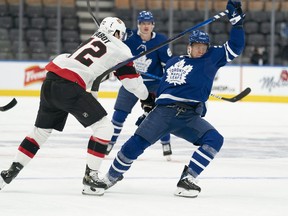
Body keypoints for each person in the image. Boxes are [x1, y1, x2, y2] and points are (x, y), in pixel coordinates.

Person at [100, 0, 246, 198]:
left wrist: (237, 23)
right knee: (136, 144)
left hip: (188, 117)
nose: (201, 50)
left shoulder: (211, 58)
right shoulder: (173, 62)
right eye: (197, 46)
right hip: (163, 112)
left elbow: (235, 47)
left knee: (214, 139)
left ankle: (188, 179)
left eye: (204, 46)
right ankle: (110, 177)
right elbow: (163, 89)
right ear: (189, 47)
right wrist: (151, 111)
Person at [0, 17, 154, 196]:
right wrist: (146, 98)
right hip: (69, 86)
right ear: (118, 33)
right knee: (104, 128)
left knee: (40, 132)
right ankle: (91, 179)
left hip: (50, 80)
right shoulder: (121, 49)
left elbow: (92, 71)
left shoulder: (91, 39)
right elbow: (132, 83)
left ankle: (8, 174)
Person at [107, 11, 174, 160]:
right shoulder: (129, 38)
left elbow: (168, 66)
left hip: (153, 84)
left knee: (162, 114)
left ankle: (166, 143)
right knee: (119, 114)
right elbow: (116, 46)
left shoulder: (161, 41)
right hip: (132, 81)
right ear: (138, 24)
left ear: (153, 25)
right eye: (143, 23)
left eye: (148, 23)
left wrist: (166, 83)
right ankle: (109, 143)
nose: (146, 26)